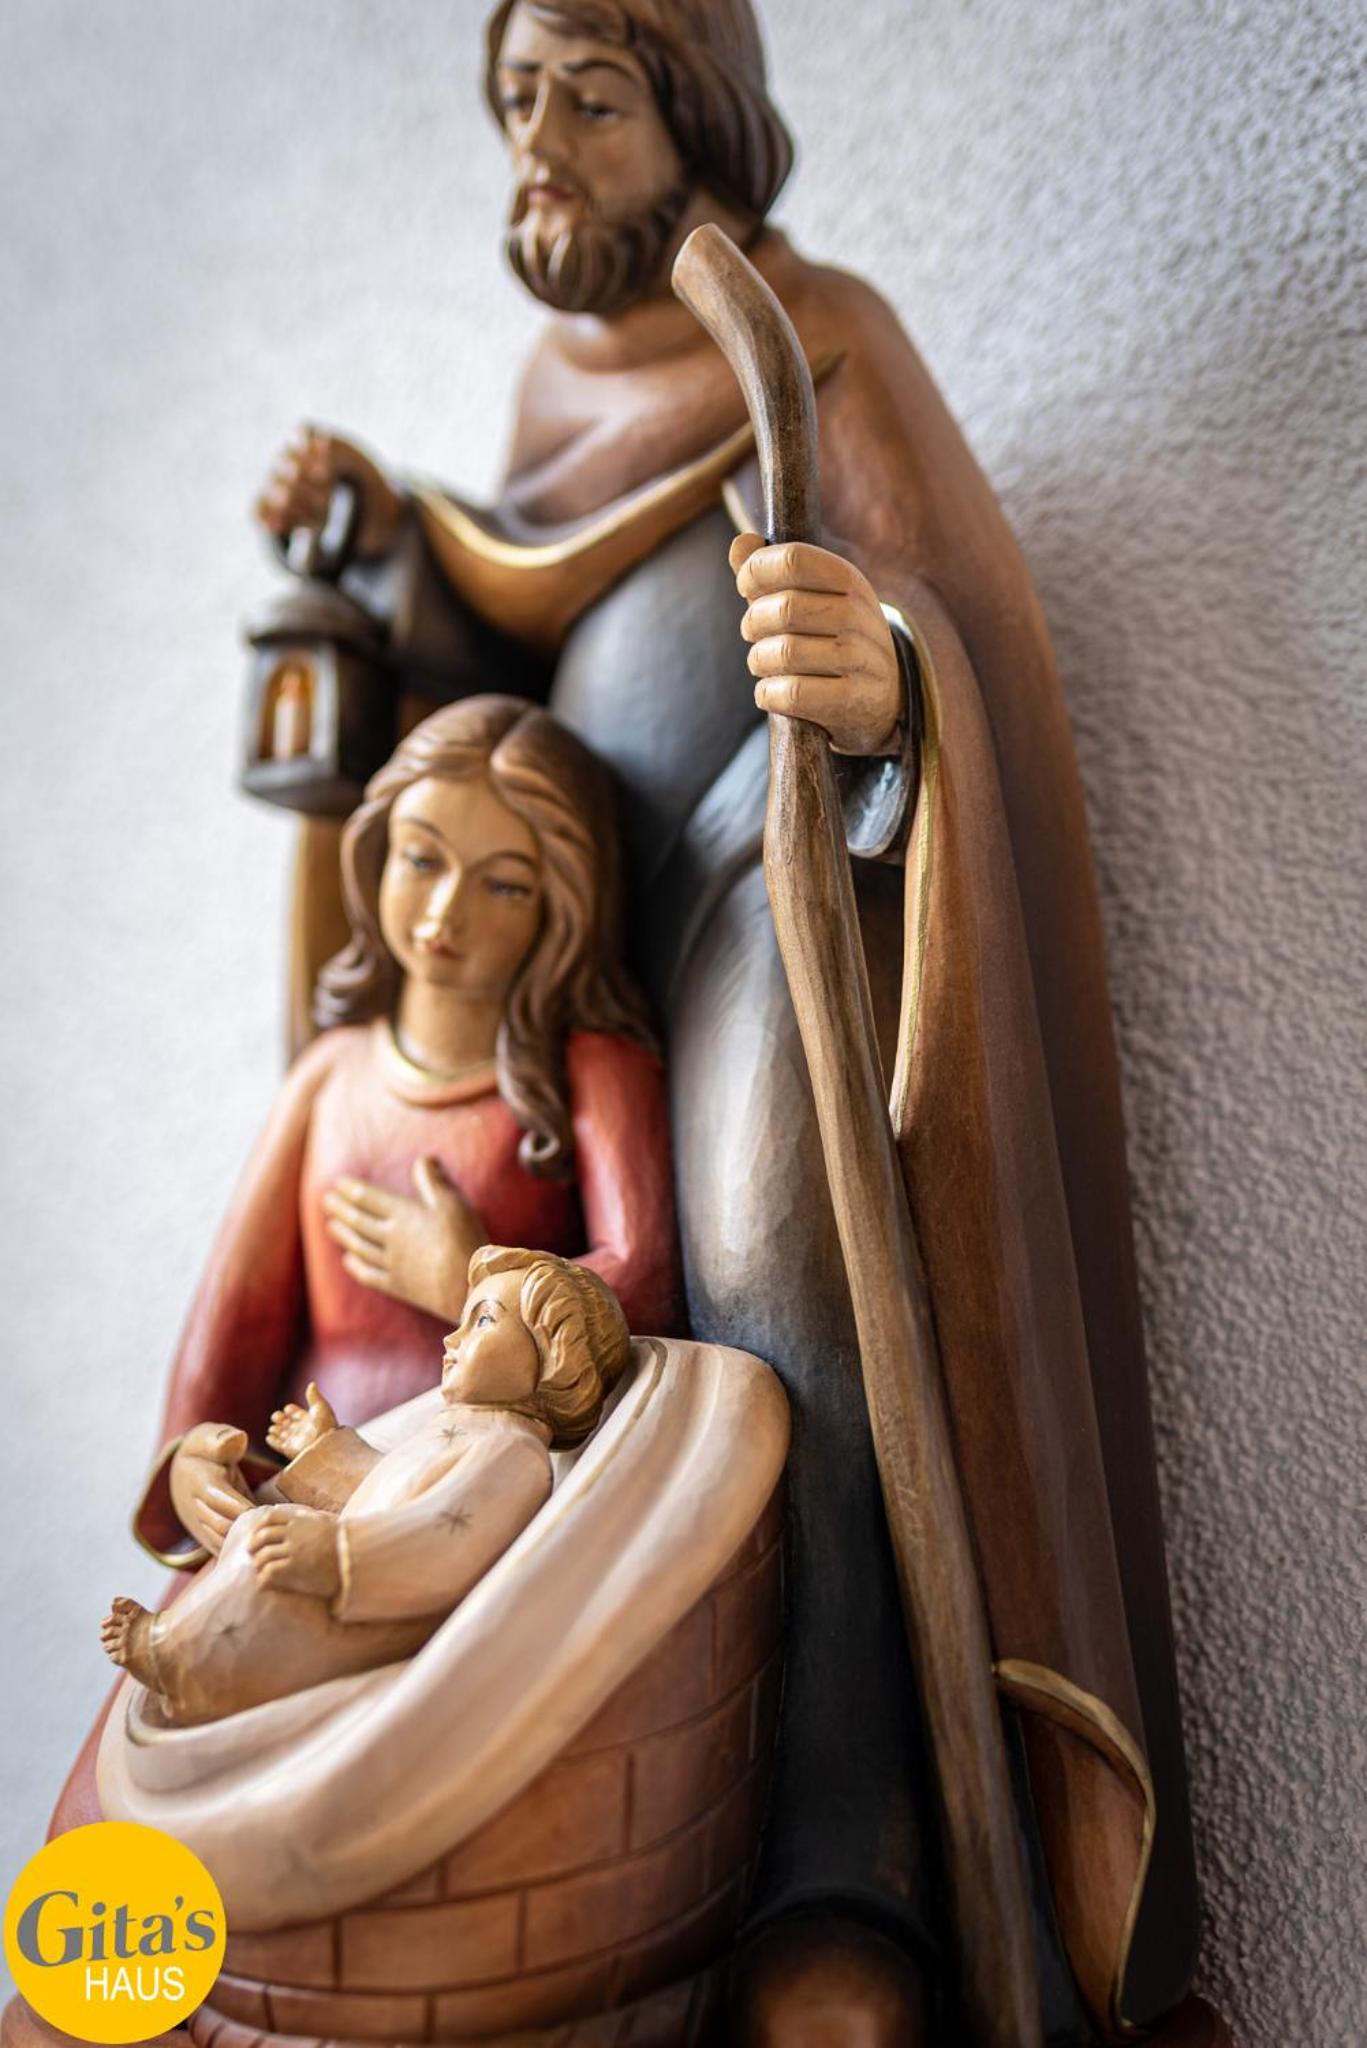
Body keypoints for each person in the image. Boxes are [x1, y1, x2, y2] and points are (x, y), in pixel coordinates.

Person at [102, 1248, 628, 1727]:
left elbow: (444, 1536)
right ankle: (182, 1653)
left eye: (482, 1320)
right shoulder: (469, 1429)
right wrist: (204, 1461)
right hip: (309, 1557)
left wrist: (338, 1554)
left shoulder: (508, 1450)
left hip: (365, 1597)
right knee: (257, 1535)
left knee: (265, 1554)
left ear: (557, 1355)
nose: (450, 1339)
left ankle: (182, 1661)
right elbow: (390, 1485)